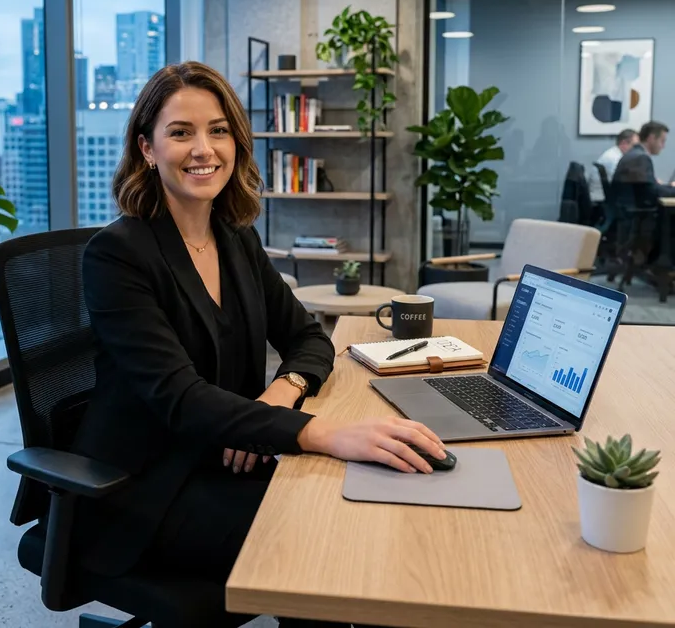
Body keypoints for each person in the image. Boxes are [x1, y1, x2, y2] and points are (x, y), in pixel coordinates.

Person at [71, 61, 446, 627]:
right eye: (181, 132)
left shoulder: (235, 237)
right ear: (147, 148)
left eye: (218, 130)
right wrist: (321, 432)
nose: (204, 149)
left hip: (230, 452)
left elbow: (308, 338)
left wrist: (281, 391)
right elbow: (180, 398)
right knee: (322, 538)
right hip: (146, 487)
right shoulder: (118, 255)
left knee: (349, 503)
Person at [613, 121, 675, 209]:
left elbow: (651, 187)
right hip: (637, 216)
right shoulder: (640, 158)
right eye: (662, 141)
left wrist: (670, 187)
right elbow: (652, 192)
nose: (663, 146)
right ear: (651, 138)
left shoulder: (634, 154)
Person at [588, 129, 638, 203]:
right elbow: (625, 183)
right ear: (624, 143)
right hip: (602, 201)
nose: (637, 150)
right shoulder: (615, 159)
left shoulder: (614, 154)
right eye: (634, 146)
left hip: (601, 198)